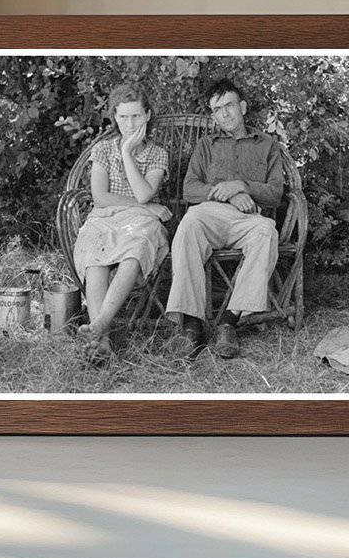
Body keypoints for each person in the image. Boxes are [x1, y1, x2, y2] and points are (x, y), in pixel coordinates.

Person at [165, 78, 284, 359]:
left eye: (229, 105)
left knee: (267, 233)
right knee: (188, 225)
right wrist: (227, 193)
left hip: (249, 218)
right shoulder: (207, 145)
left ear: (242, 107)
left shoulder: (267, 145)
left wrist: (242, 186)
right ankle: (192, 326)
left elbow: (275, 193)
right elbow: (189, 188)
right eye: (217, 110)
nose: (224, 114)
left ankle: (229, 322)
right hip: (210, 214)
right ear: (213, 116)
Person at [72, 81, 171, 362]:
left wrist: (127, 152)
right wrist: (149, 206)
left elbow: (143, 194)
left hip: (141, 221)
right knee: (95, 253)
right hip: (105, 217)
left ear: (147, 115)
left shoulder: (157, 153)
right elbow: (100, 197)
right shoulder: (103, 149)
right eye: (124, 116)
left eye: (136, 116)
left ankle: (100, 325)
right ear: (115, 117)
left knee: (136, 249)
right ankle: (102, 341)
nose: (130, 123)